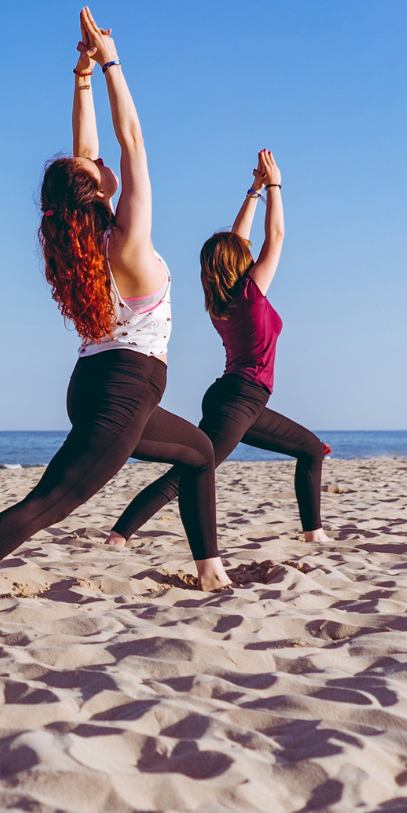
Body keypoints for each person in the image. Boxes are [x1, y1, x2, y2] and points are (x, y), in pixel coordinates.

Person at [0, 7, 224, 598]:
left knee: (199, 453)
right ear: (92, 189)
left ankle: (209, 567)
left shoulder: (82, 243)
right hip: (123, 391)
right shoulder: (128, 242)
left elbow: (88, 148)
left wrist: (83, 75)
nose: (96, 161)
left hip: (97, 384)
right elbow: (131, 141)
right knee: (52, 502)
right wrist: (114, 59)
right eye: (90, 168)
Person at [107, 150, 332, 546]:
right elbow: (274, 236)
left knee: (311, 449)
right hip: (239, 400)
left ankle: (314, 533)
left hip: (242, 400)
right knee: (191, 469)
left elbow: (237, 241)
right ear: (237, 263)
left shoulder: (222, 294)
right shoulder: (250, 292)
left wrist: (253, 191)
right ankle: (120, 535)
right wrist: (276, 185)